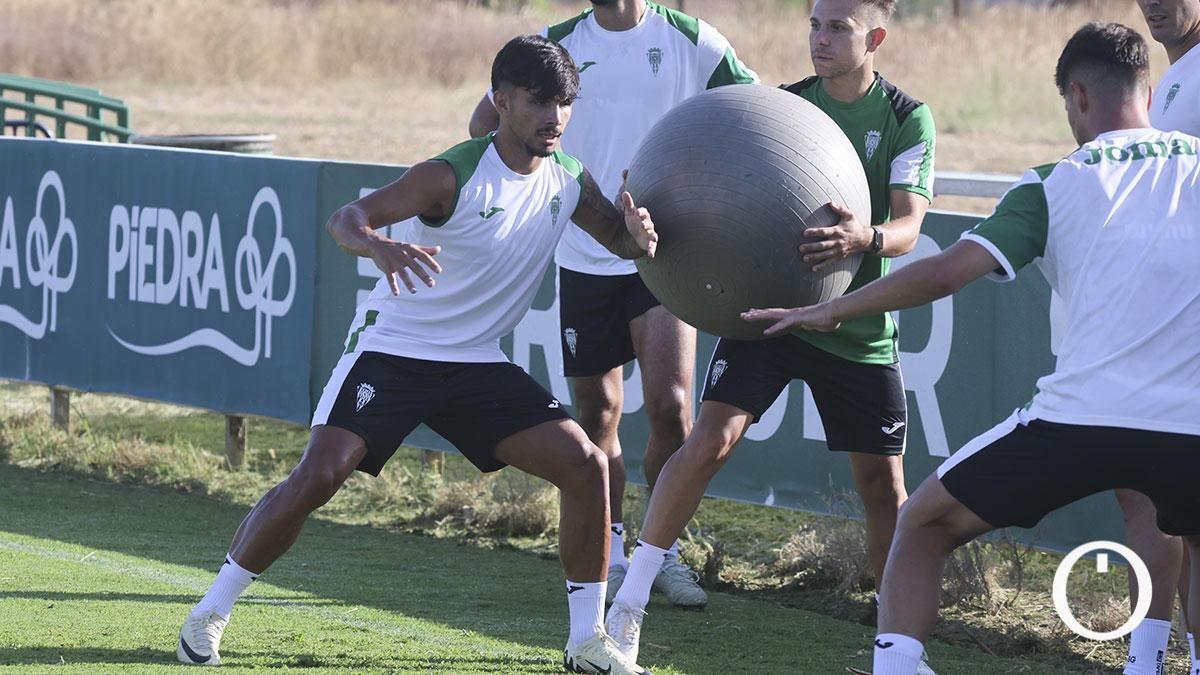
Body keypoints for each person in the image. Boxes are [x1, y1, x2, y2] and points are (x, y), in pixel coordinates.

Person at [176, 35, 658, 675]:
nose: (555, 116)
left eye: (565, 103)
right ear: (502, 101)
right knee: (320, 475)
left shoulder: (569, 180)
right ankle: (209, 612)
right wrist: (377, 247)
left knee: (587, 465)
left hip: (476, 361)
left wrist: (639, 234)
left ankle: (585, 643)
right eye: (540, 101)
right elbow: (347, 217)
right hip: (395, 349)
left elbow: (620, 241)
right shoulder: (449, 174)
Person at [742, 22, 1200, 675]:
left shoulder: (1055, 180)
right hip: (1191, 425)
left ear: (1078, 97)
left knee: (922, 525)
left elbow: (946, 271)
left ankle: (898, 665)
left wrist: (833, 306)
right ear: (1149, 94)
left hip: (1078, 420)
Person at [603, 0, 935, 665]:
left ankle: (895, 644)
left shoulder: (905, 117)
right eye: (813, 25)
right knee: (710, 439)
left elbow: (909, 228)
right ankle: (629, 602)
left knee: (883, 490)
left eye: (836, 28)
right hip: (772, 313)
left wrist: (865, 236)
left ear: (874, 37)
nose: (819, 39)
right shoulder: (786, 109)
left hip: (856, 325)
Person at [468, 0, 757, 609]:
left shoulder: (693, 39)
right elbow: (482, 126)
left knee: (671, 405)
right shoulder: (557, 41)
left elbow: (753, 113)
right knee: (597, 412)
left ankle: (663, 555)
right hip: (583, 250)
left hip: (663, 252)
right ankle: (613, 551)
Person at [1113, 0, 1200, 670]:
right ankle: (1150, 657)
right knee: (1150, 495)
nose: (1156, 2)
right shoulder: (1170, 79)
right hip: (1163, 321)